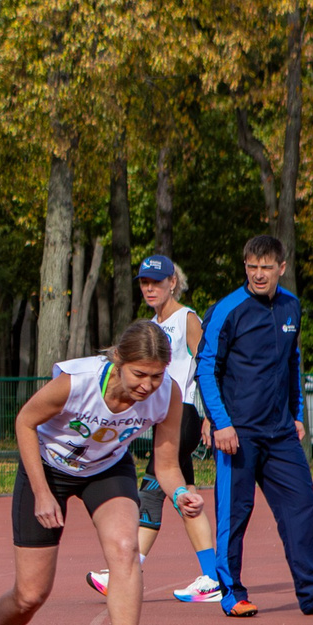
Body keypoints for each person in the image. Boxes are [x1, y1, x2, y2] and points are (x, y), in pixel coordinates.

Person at [0, 320, 204, 625]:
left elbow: (166, 463)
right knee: (30, 594)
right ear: (118, 360)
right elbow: (25, 422)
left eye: (157, 376)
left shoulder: (168, 396)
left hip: (107, 470)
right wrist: (42, 493)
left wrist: (180, 493)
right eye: (139, 374)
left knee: (126, 548)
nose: (147, 385)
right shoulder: (77, 381)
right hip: (47, 469)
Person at [198, 235, 313, 618]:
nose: (258, 274)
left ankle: (311, 591)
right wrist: (221, 423)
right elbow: (206, 368)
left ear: (281, 268)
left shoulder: (291, 306)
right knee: (235, 514)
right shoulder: (227, 309)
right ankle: (232, 593)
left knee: (303, 505)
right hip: (238, 434)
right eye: (252, 267)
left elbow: (292, 362)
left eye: (266, 267)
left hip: (281, 431)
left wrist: (297, 413)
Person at [90, 255, 223, 604]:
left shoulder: (187, 319)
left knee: (151, 488)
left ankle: (127, 569)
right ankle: (212, 575)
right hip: (163, 419)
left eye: (157, 282)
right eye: (144, 283)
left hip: (185, 414)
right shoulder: (150, 325)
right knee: (185, 494)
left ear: (172, 283)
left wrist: (215, 416)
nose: (150, 288)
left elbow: (209, 367)